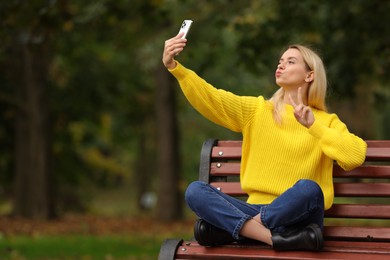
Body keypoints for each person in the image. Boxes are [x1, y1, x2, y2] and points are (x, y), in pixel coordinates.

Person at [162, 32, 367, 251]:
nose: (281, 65)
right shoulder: (257, 111)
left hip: (299, 217)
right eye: (280, 61)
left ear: (309, 75)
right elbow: (212, 98)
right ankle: (271, 237)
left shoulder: (326, 121)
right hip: (288, 229)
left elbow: (354, 156)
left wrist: (313, 126)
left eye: (290, 62)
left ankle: (241, 231)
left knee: (309, 189)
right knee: (196, 191)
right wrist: (176, 68)